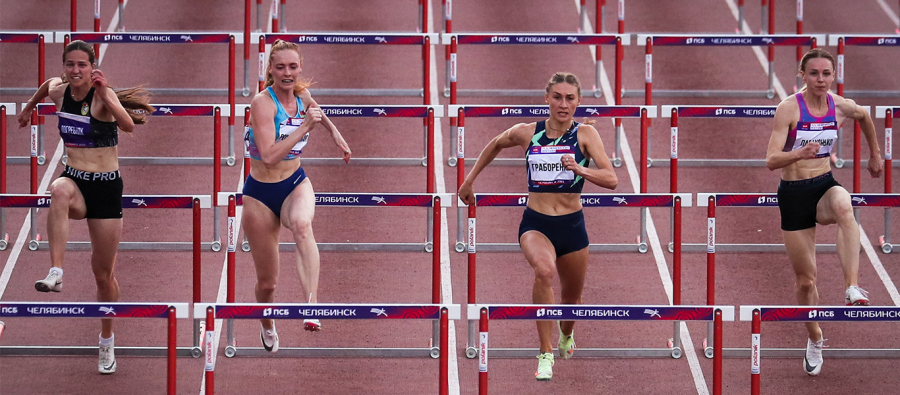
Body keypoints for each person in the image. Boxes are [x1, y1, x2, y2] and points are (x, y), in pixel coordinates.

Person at [458, 72, 618, 381]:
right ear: (547, 98)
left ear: (578, 102)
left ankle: (566, 333)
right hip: (536, 223)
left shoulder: (585, 135)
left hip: (572, 226)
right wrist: (469, 180)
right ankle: (544, 353)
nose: (563, 104)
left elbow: (611, 179)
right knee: (544, 271)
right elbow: (495, 143)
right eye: (557, 97)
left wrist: (579, 168)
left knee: (571, 299)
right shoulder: (527, 133)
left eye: (570, 98)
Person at [17, 40, 153, 374]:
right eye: (70, 65)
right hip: (76, 181)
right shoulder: (59, 91)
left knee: (103, 276)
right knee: (58, 189)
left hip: (106, 189)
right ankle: (56, 271)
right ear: (64, 67)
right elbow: (45, 86)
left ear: (92, 68)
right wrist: (27, 109)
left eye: (82, 65)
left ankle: (106, 340)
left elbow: (129, 126)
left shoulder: (100, 97)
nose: (76, 71)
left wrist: (107, 94)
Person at [766, 48, 883, 377]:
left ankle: (852, 286)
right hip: (793, 194)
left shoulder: (840, 106)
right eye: (814, 73)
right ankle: (815, 338)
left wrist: (875, 155)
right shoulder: (788, 109)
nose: (820, 79)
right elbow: (771, 159)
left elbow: (865, 116)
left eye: (826, 74)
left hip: (823, 187)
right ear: (802, 75)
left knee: (845, 204)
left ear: (833, 76)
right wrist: (798, 152)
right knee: (806, 282)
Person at [243, 40, 351, 353]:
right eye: (280, 67)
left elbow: (318, 113)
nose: (287, 73)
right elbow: (269, 155)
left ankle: (312, 304)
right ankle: (267, 323)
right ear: (271, 71)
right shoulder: (262, 104)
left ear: (300, 67)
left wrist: (335, 134)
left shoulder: (302, 94)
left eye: (292, 67)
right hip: (260, 194)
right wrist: (304, 128)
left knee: (303, 226)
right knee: (268, 284)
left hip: (294, 183)